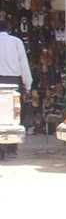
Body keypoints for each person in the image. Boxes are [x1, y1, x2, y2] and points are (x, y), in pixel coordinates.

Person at [0, 19, 33, 158]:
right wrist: (28, 84)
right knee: (13, 116)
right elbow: (23, 64)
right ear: (8, 29)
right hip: (13, 83)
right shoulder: (16, 42)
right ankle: (11, 150)